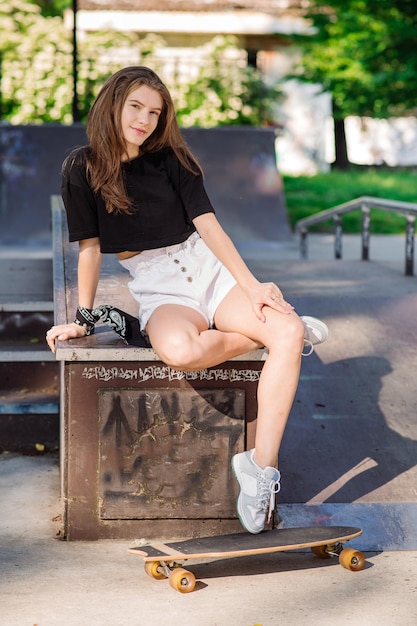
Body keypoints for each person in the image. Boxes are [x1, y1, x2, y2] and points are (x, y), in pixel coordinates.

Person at [46, 66, 328, 534]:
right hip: (160, 286)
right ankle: (289, 339)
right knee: (182, 352)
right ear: (112, 103)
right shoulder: (82, 167)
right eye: (135, 106)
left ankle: (260, 469)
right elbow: (90, 248)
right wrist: (84, 318)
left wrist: (253, 286)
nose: (145, 119)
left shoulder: (173, 159)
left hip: (209, 272)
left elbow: (209, 226)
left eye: (155, 112)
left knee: (285, 327)